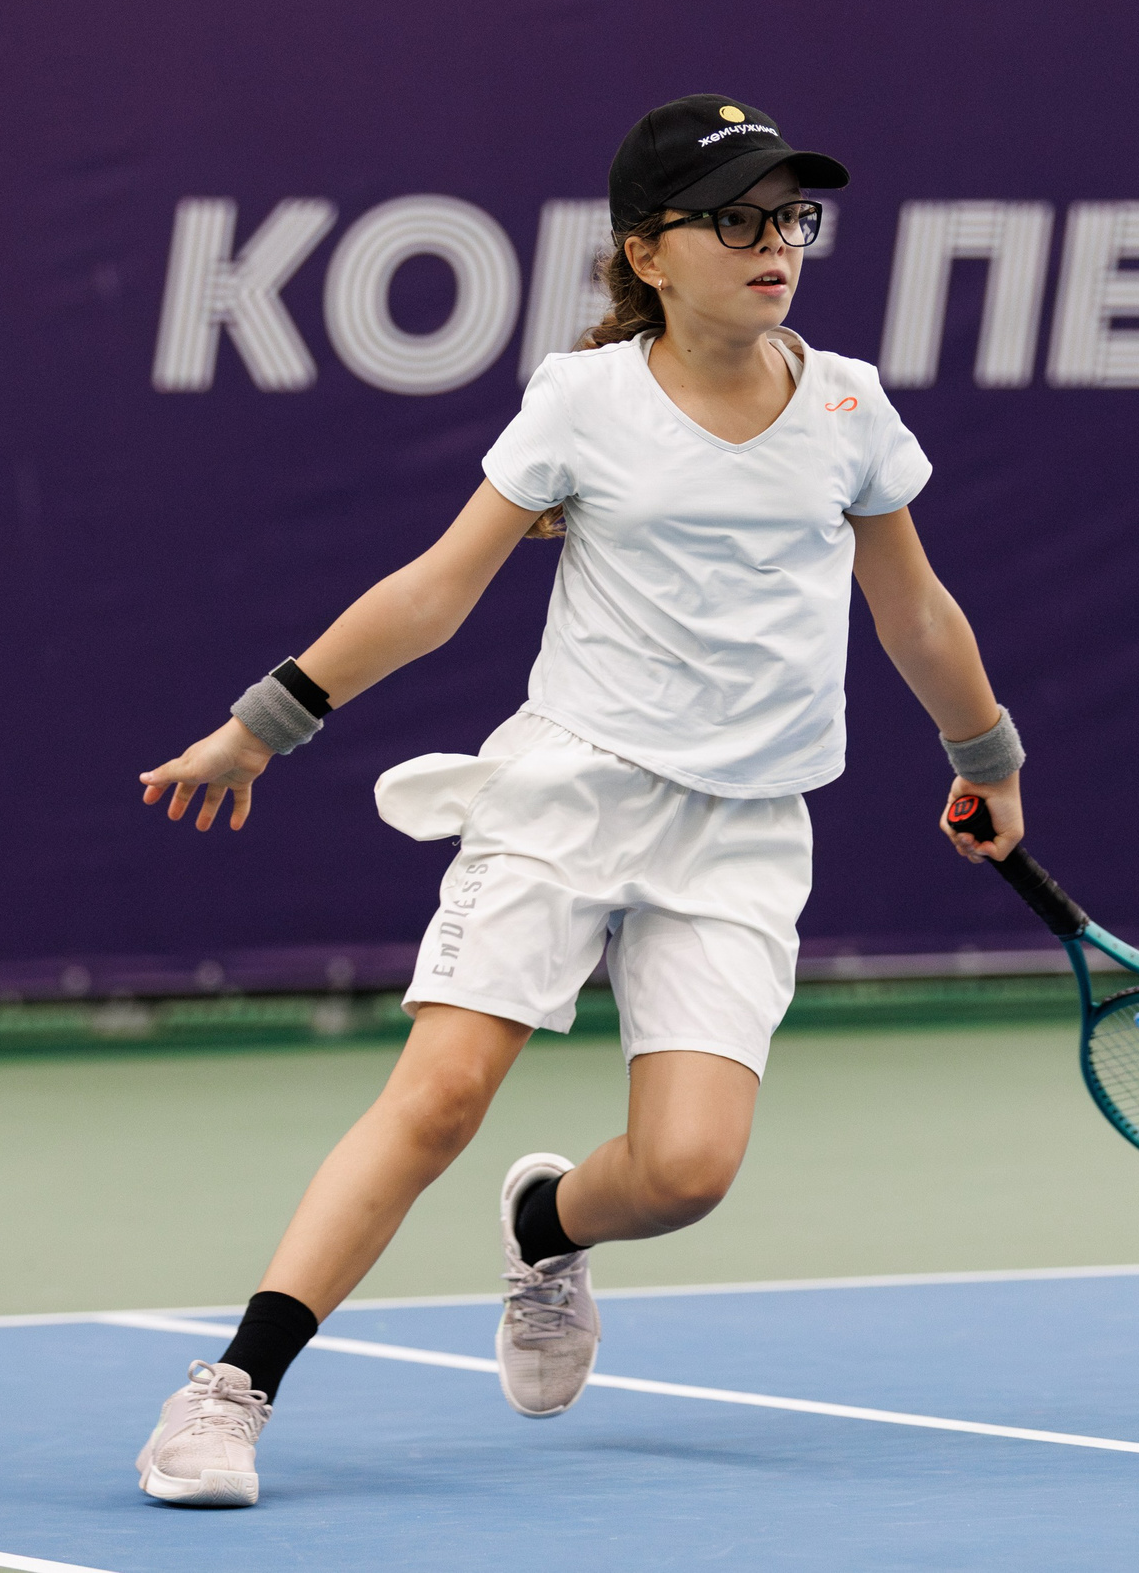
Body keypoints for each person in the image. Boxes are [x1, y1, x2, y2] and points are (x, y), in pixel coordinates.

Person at [127, 95, 1028, 1507]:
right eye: (735, 219)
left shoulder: (849, 405)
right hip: (570, 792)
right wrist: (266, 725)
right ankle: (227, 1392)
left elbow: (914, 610)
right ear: (648, 254)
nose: (775, 244)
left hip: (744, 831)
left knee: (687, 1173)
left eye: (790, 217)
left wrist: (985, 760)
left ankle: (547, 1224)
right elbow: (436, 591)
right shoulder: (583, 401)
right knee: (438, 1097)